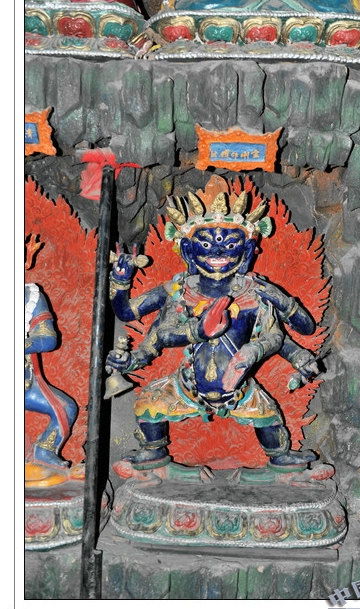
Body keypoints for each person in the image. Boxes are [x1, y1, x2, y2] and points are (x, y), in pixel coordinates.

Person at [106, 190, 321, 471]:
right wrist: (120, 282)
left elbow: (291, 333)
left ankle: (280, 457)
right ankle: (153, 452)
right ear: (188, 250)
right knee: (148, 404)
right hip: (187, 385)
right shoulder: (180, 291)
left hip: (239, 388)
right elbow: (141, 324)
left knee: (268, 417)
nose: (218, 253)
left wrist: (300, 355)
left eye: (230, 245)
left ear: (247, 250)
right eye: (206, 244)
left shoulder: (254, 292)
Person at [25, 236, 78, 480]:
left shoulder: (30, 297)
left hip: (25, 383)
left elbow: (48, 339)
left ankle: (44, 452)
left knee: (66, 409)